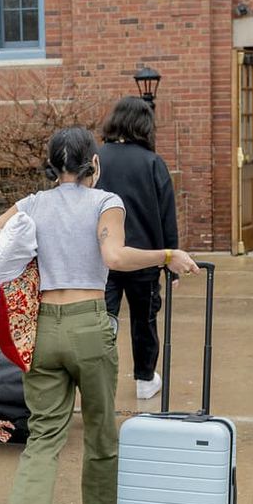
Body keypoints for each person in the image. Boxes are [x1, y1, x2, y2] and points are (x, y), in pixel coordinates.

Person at [0, 127, 199, 504]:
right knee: (101, 426)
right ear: (93, 164)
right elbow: (114, 256)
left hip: (42, 327)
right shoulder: (105, 202)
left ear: (52, 167)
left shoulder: (33, 204)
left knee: (43, 437)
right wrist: (168, 254)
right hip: (87, 324)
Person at [97, 96, 179, 403]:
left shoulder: (97, 159)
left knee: (103, 320)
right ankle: (145, 378)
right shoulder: (152, 163)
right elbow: (167, 213)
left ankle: (99, 381)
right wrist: (171, 256)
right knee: (144, 319)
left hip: (104, 256)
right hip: (144, 258)